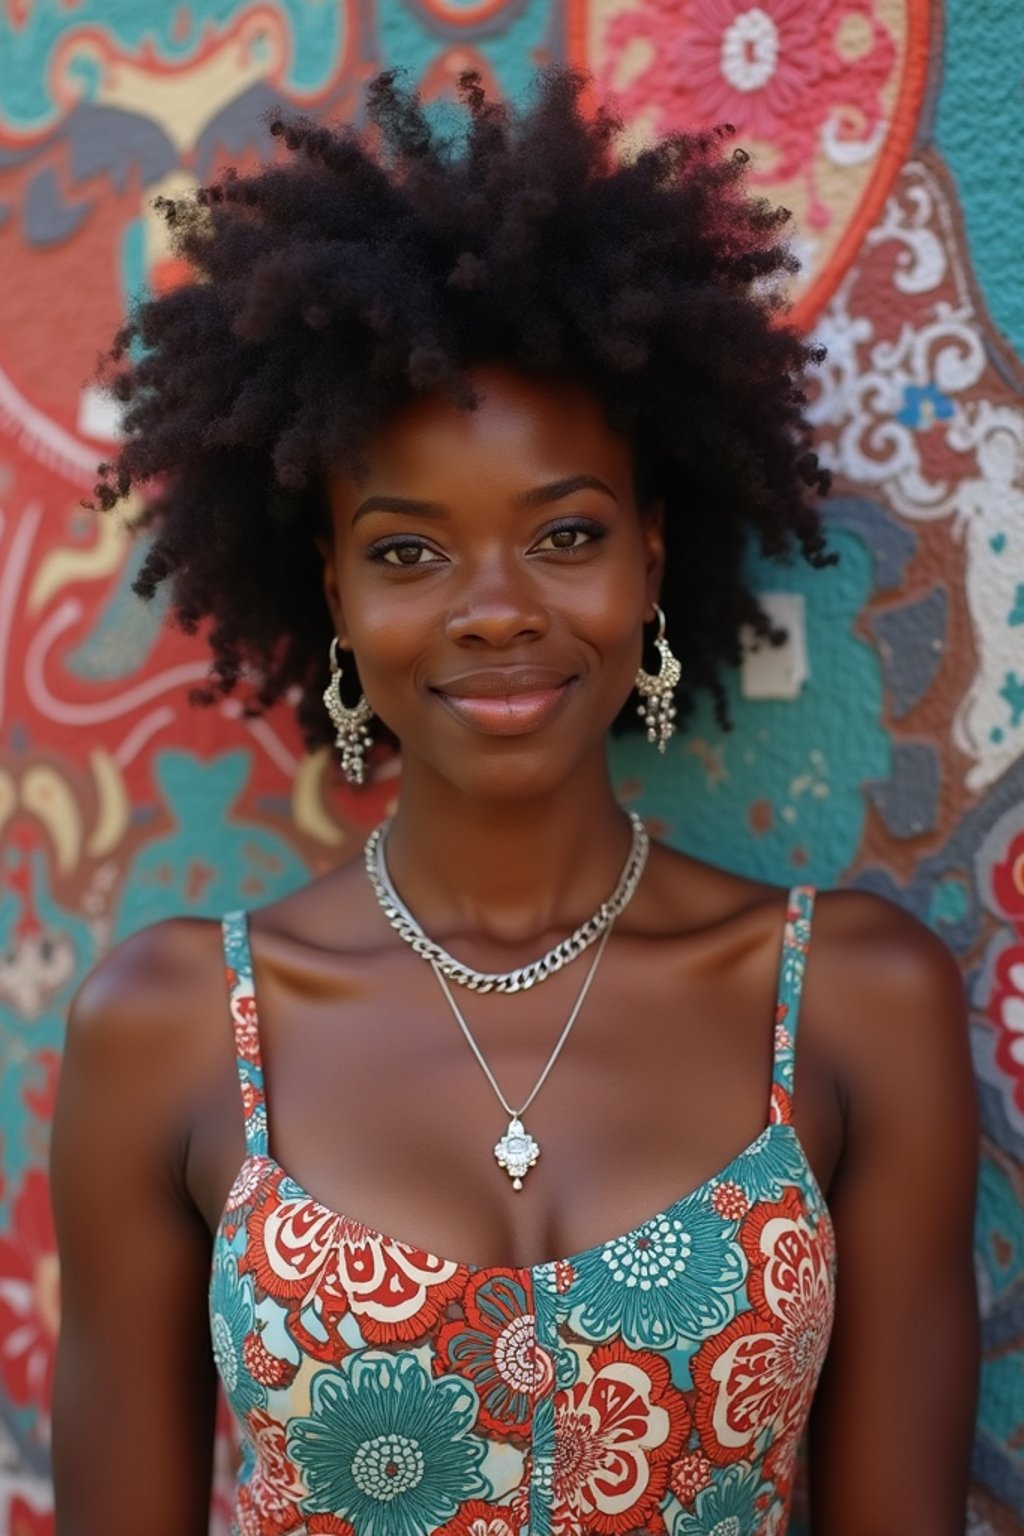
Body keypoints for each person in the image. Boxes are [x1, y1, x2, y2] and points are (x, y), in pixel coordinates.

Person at [51, 68, 979, 1536]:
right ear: (335, 590)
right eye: (410, 553)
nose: (496, 612)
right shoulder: (165, 1030)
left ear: (653, 558)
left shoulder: (859, 1003)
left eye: (563, 533)